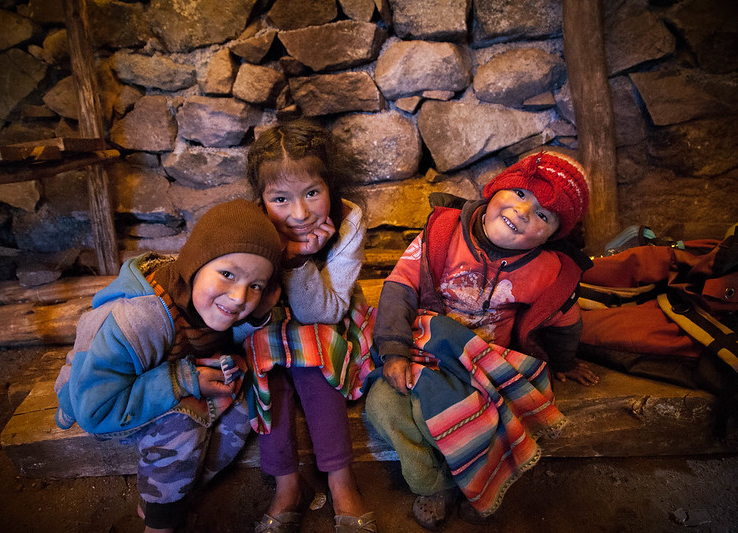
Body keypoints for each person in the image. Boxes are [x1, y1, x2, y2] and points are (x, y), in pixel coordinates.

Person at [365, 150, 599, 530]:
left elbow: (564, 320)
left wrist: (566, 362)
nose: (524, 212)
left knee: (485, 419)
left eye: (543, 214)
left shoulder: (548, 271)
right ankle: (435, 484)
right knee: (383, 408)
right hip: (424, 352)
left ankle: (476, 484)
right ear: (495, 190)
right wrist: (394, 351)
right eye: (521, 194)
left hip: (485, 366)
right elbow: (398, 289)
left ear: (554, 234)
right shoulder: (442, 235)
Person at [54, 199, 282, 533]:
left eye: (255, 286)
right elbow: (95, 409)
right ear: (194, 264)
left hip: (153, 379)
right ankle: (160, 524)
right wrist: (186, 379)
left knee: (250, 397)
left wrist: (260, 313)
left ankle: (174, 493)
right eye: (227, 274)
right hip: (99, 399)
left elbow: (230, 334)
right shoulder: (140, 318)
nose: (238, 297)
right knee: (183, 423)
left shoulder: (203, 299)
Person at [244, 119, 377, 533]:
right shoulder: (248, 223)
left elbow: (323, 312)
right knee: (265, 363)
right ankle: (287, 484)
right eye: (280, 198)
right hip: (263, 321)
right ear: (260, 198)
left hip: (327, 319)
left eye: (312, 193)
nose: (299, 213)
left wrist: (300, 260)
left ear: (331, 187)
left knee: (309, 354)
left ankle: (340, 480)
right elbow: (241, 309)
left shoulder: (348, 220)